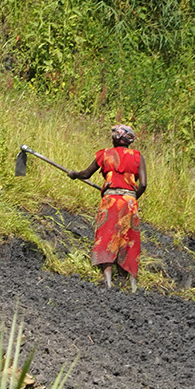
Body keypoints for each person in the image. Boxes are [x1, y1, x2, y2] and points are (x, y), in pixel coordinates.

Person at [69, 124, 147, 290]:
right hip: (129, 202)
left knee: (107, 235)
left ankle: (109, 282)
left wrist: (74, 174)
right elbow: (144, 184)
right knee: (128, 239)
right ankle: (130, 284)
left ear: (115, 138)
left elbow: (86, 174)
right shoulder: (138, 157)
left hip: (110, 200)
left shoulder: (105, 154)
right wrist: (132, 198)